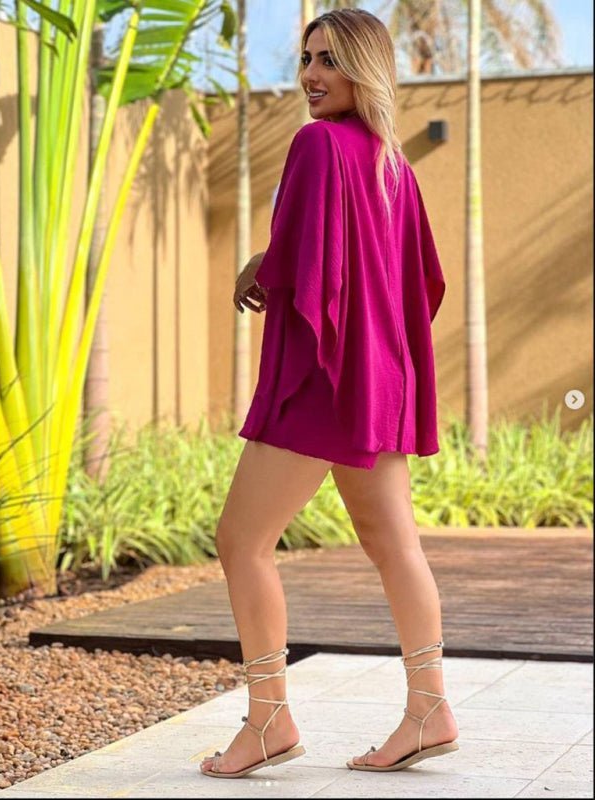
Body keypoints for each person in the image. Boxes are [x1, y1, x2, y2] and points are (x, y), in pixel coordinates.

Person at [199, 7, 458, 779]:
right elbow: (418, 281)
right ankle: (429, 708)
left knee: (241, 542)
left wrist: (261, 268)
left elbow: (310, 267)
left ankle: (270, 720)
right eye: (307, 58)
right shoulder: (394, 167)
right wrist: (270, 257)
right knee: (396, 548)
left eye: (329, 61)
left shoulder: (316, 144)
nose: (310, 75)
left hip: (322, 380)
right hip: (381, 382)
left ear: (363, 69)